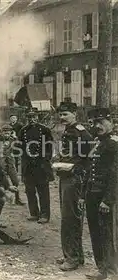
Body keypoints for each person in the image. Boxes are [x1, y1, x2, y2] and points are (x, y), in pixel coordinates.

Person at [53, 101, 93, 271]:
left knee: (71, 218)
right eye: (61, 114)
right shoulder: (69, 130)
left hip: (74, 179)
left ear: (75, 114)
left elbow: (90, 153)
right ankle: (74, 255)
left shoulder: (81, 132)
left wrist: (77, 167)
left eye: (66, 114)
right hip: (65, 176)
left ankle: (73, 258)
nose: (62, 118)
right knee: (67, 217)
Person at [81, 107, 118, 280]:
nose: (98, 126)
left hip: (105, 197)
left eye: (102, 122)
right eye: (95, 123)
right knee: (96, 232)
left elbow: (115, 174)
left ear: (111, 122)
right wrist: (82, 195)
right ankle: (102, 268)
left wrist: (108, 200)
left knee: (108, 234)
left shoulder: (113, 144)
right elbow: (89, 171)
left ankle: (112, 272)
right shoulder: (97, 142)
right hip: (92, 195)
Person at [18, 107, 54, 224]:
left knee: (43, 191)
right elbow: (19, 147)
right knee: (30, 190)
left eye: (33, 116)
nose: (31, 119)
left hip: (41, 165)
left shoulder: (45, 130)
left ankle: (45, 215)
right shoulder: (23, 130)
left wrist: (45, 160)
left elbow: (49, 147)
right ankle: (34, 213)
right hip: (28, 165)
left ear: (37, 117)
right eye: (29, 117)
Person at [0, 124, 24, 205]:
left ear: (11, 133)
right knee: (0, 181)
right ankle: (0, 198)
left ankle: (17, 198)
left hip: (10, 162)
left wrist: (16, 137)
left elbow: (21, 145)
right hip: (1, 163)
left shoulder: (13, 140)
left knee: (15, 181)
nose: (6, 134)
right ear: (1, 132)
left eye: (8, 132)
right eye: (4, 132)